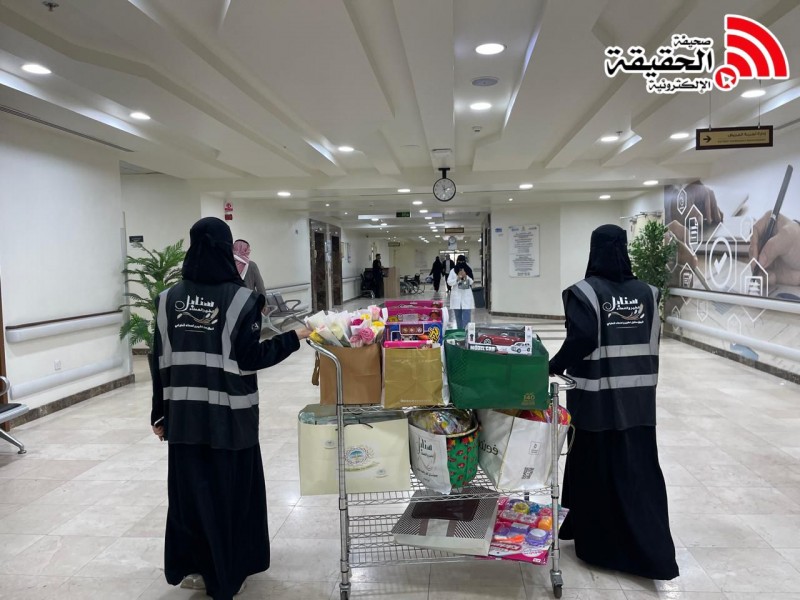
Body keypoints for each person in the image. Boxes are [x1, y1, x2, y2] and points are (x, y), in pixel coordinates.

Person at [150, 217, 311, 600]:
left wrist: (159, 413)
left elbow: (158, 360)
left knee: (191, 496)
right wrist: (294, 337)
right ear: (226, 250)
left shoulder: (167, 299)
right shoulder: (241, 299)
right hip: (230, 419)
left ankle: (195, 568)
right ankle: (228, 573)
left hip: (184, 418)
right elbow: (250, 357)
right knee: (229, 496)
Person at [548, 224, 678, 581]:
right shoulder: (649, 293)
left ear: (594, 251)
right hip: (638, 402)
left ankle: (602, 547)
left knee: (597, 470)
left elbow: (582, 340)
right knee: (637, 473)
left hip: (596, 403)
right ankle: (650, 550)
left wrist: (552, 365)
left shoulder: (585, 293)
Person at [447, 254, 475, 330]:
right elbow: (449, 282)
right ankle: (460, 331)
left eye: (463, 261)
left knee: (467, 316)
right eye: (459, 261)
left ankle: (467, 332)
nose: (461, 263)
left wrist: (466, 276)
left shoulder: (468, 269)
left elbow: (472, 281)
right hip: (456, 297)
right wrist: (457, 278)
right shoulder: (453, 271)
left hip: (466, 297)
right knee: (458, 317)